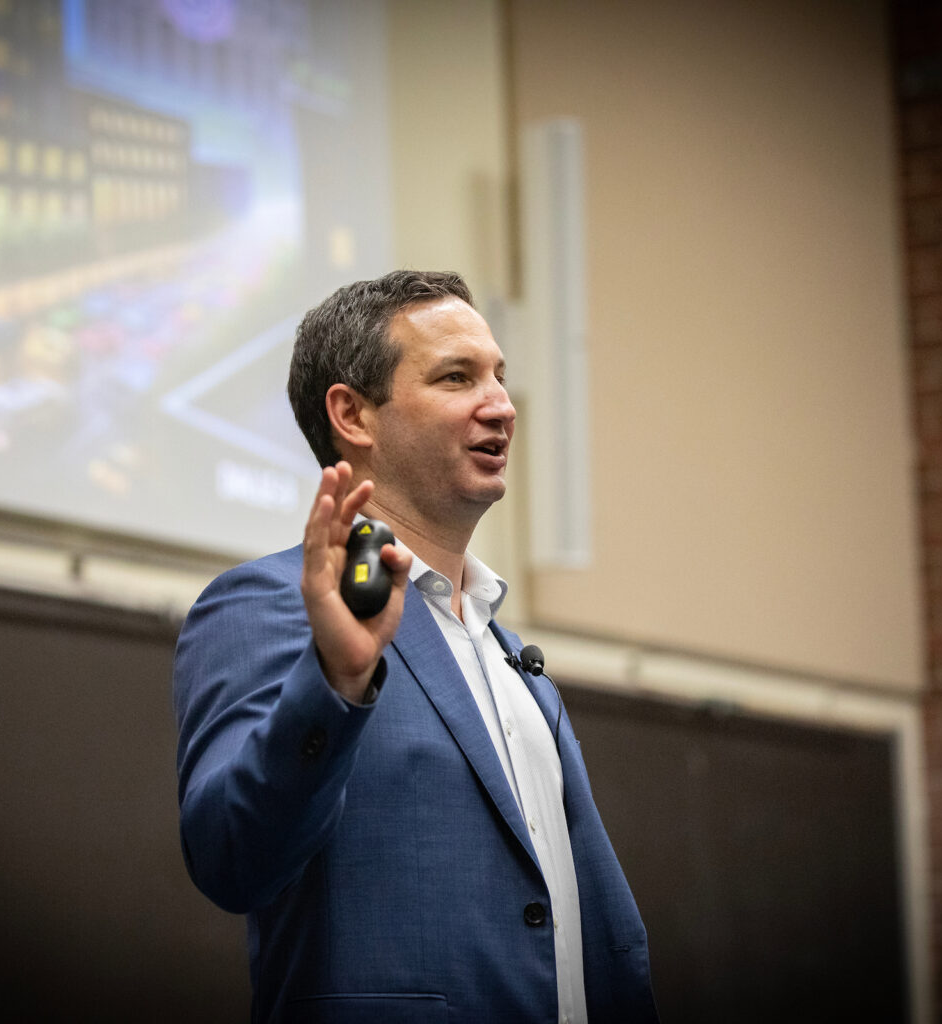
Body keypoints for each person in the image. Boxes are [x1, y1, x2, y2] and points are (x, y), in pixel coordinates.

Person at [172, 270, 658, 1023]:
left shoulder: (509, 653)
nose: (500, 404)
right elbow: (232, 860)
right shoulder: (266, 607)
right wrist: (335, 679)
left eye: (500, 376)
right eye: (457, 377)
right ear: (353, 414)